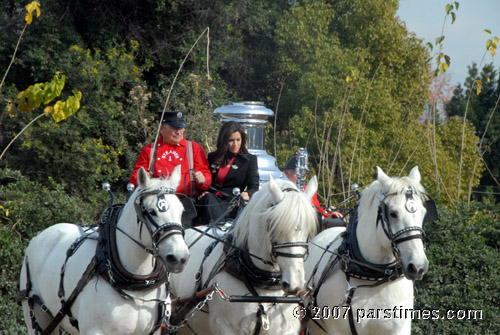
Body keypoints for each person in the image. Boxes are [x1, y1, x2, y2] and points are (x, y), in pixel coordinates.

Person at [129, 110, 212, 226]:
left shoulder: (194, 148)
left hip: (187, 203)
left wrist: (203, 179)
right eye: (174, 128)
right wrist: (143, 179)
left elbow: (207, 178)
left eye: (181, 128)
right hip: (158, 204)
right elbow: (135, 179)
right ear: (161, 129)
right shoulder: (149, 150)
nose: (179, 132)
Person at [198, 121, 259, 224]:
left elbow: (254, 185)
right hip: (212, 200)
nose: (235, 144)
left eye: (238, 140)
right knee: (206, 198)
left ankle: (220, 229)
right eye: (231, 140)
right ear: (224, 141)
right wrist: (204, 190)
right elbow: (207, 179)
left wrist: (247, 193)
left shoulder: (249, 160)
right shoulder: (213, 157)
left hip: (233, 202)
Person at [281, 155, 342, 221]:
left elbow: (318, 209)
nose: (302, 176)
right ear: (286, 172)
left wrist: (329, 215)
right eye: (298, 173)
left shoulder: (308, 189)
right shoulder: (281, 191)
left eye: (304, 173)